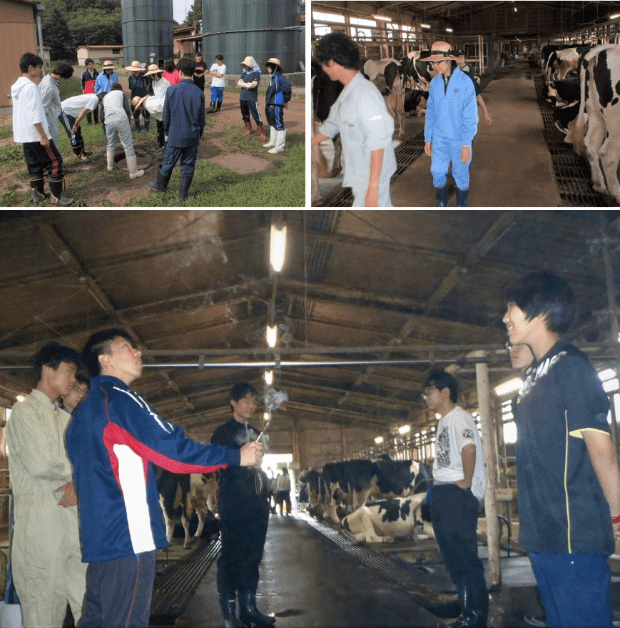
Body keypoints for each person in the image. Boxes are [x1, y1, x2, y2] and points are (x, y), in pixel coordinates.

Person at [65, 329, 263, 628]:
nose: (137, 352)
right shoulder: (120, 399)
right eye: (126, 347)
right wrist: (235, 457)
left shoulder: (81, 415)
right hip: (127, 539)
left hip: (99, 542)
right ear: (104, 359)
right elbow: (172, 451)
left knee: (95, 620)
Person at [503, 272, 620, 628]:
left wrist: (617, 518)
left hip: (573, 534)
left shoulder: (571, 367)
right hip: (542, 534)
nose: (505, 317)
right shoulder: (536, 374)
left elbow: (602, 448)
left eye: (512, 308)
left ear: (541, 311)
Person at [6, 342, 87, 628]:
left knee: (88, 609)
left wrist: (79, 481)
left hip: (71, 528)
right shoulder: (24, 413)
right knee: (43, 613)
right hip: (40, 531)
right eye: (69, 371)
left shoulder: (65, 418)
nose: (73, 379)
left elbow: (85, 461)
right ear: (47, 370)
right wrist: (79, 474)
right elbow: (42, 464)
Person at [422, 369, 487, 628]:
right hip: (444, 491)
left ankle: (476, 616)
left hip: (456, 493)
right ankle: (464, 603)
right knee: (452, 556)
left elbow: (468, 448)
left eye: (429, 391)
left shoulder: (459, 418)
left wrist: (465, 483)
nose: (425, 397)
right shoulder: (443, 421)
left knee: (464, 556)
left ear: (445, 393)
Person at [211, 383, 275, 628]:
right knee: (231, 556)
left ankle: (248, 608)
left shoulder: (257, 432)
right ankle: (228, 615)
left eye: (253, 401)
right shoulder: (222, 433)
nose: (250, 405)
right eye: (245, 400)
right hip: (234, 501)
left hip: (257, 503)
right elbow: (218, 466)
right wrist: (242, 463)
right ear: (233, 403)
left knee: (252, 555)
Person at [311, 32, 397, 207]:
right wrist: (312, 143)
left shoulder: (365, 95)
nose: (323, 70)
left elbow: (378, 143)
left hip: (373, 175)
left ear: (332, 62)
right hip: (360, 174)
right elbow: (332, 123)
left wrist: (373, 188)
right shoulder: (347, 92)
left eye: (323, 65)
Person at [11, 52, 73, 206]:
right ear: (30, 68)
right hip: (36, 134)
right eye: (39, 67)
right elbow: (35, 113)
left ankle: (38, 194)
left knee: (34, 163)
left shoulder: (16, 86)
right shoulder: (31, 87)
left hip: (25, 134)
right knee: (55, 162)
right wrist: (43, 135)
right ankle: (56, 196)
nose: (40, 70)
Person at [424, 41, 478, 208]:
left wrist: (466, 144)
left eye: (438, 62)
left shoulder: (465, 83)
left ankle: (462, 204)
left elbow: (471, 116)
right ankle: (443, 199)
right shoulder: (434, 84)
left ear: (449, 60)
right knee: (437, 172)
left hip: (459, 138)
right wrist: (428, 138)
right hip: (439, 137)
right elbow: (431, 112)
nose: (435, 66)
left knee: (460, 174)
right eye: (433, 62)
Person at [149, 56, 205, 202]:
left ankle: (161, 185)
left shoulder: (172, 90)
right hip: (192, 134)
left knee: (169, 160)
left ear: (179, 72)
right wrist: (198, 134)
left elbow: (166, 115)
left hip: (175, 133)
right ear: (193, 72)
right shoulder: (199, 92)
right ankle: (183, 195)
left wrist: (167, 131)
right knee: (188, 163)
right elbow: (201, 118)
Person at [102, 83, 144, 180]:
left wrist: (105, 126)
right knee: (128, 145)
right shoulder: (122, 94)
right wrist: (128, 122)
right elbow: (127, 109)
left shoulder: (105, 97)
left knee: (111, 143)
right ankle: (133, 173)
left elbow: (102, 113)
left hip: (108, 121)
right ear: (120, 89)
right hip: (121, 119)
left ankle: (110, 167)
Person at [39, 61, 74, 152]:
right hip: (48, 121)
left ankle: (54, 164)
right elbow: (43, 107)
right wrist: (45, 125)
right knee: (52, 145)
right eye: (65, 78)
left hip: (52, 118)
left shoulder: (48, 79)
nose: (65, 80)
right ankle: (54, 165)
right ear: (60, 75)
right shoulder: (49, 86)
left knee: (53, 144)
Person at [455, 51, 492, 127]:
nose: (460, 58)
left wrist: (486, 113)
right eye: (458, 57)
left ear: (465, 58)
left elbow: (477, 95)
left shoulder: (469, 75)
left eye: (462, 56)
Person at [59, 93, 100, 162]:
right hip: (64, 111)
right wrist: (75, 124)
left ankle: (82, 151)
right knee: (73, 134)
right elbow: (84, 112)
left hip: (70, 112)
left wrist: (77, 122)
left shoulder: (95, 97)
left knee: (78, 131)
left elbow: (81, 109)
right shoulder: (95, 100)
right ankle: (79, 155)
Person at [263, 57, 292, 154]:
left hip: (276, 104)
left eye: (268, 67)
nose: (267, 69)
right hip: (270, 103)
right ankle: (273, 142)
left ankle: (279, 147)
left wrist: (285, 100)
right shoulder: (272, 77)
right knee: (272, 123)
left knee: (279, 124)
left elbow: (287, 89)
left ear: (274, 67)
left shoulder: (280, 77)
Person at [143, 63, 171, 151]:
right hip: (158, 107)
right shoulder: (154, 81)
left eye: (151, 75)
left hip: (165, 107)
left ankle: (166, 145)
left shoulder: (165, 82)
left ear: (154, 74)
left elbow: (166, 97)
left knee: (165, 127)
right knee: (159, 127)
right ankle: (160, 143)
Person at [238, 55, 266, 140]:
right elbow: (239, 82)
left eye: (247, 65)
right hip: (243, 97)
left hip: (251, 97)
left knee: (256, 114)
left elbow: (254, 85)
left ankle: (261, 132)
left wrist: (244, 84)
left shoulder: (256, 73)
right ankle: (248, 129)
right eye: (245, 65)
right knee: (245, 114)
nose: (246, 66)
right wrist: (247, 84)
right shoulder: (244, 73)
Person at [94, 60, 119, 137]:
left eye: (110, 69)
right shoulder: (99, 77)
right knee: (103, 116)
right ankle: (105, 131)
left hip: (112, 98)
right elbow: (96, 89)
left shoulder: (115, 76)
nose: (109, 70)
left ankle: (114, 130)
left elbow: (117, 86)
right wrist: (101, 96)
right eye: (107, 69)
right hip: (103, 98)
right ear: (104, 69)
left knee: (113, 115)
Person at [126, 60, 151, 134]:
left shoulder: (145, 77)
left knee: (146, 113)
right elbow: (130, 87)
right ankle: (137, 127)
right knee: (135, 113)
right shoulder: (130, 78)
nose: (135, 72)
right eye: (134, 70)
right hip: (134, 97)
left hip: (143, 97)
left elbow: (147, 86)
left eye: (136, 70)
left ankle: (146, 127)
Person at [81, 58, 99, 125]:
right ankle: (89, 122)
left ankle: (96, 121)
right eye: (89, 64)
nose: (90, 66)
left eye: (91, 64)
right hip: (87, 93)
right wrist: (83, 92)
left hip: (95, 92)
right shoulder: (84, 74)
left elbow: (98, 83)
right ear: (86, 65)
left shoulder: (97, 73)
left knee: (95, 107)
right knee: (88, 107)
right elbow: (82, 84)